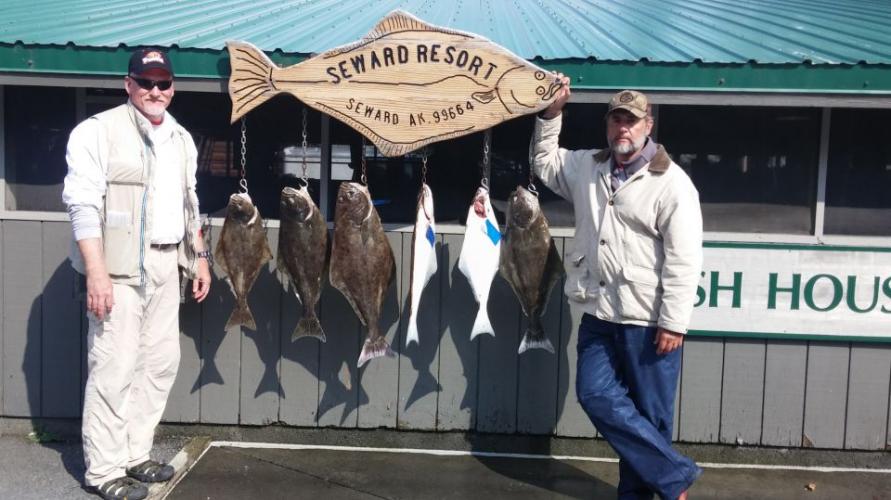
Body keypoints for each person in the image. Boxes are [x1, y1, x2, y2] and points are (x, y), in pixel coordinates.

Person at [530, 80, 703, 500]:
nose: (622, 128)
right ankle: (674, 477)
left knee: (650, 417)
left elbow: (684, 259)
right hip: (599, 313)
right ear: (608, 125)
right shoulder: (588, 166)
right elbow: (545, 162)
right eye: (616, 120)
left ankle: (642, 493)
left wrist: (674, 322)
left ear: (648, 124)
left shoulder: (672, 183)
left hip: (648, 320)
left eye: (631, 120)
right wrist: (551, 115)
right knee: (594, 394)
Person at [63, 48, 212, 500]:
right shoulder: (96, 132)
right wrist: (97, 272)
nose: (154, 91)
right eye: (145, 82)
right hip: (120, 269)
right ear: (128, 85)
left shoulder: (182, 139)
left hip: (169, 264)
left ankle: (135, 452)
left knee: (159, 364)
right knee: (115, 366)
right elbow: (81, 205)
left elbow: (190, 203)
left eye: (163, 83)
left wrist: (199, 255)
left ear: (173, 88)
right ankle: (105, 470)